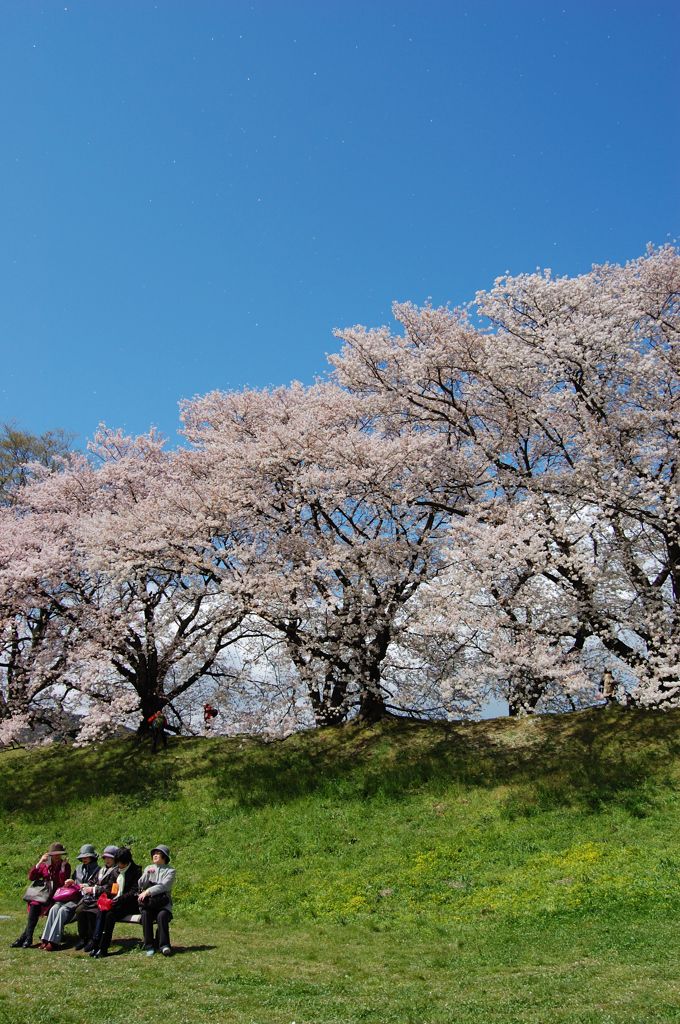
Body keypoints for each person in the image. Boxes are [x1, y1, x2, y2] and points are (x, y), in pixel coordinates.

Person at [38, 845, 100, 951]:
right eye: (82, 857)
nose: (84, 859)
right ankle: (46, 939)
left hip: (84, 898)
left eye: (87, 856)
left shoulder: (99, 870)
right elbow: (73, 881)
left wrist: (84, 886)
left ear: (92, 857)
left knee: (63, 910)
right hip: (72, 895)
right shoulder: (78, 868)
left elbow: (97, 886)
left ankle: (54, 941)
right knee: (54, 908)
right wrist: (71, 882)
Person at [10, 843, 71, 949]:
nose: (57, 857)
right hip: (43, 895)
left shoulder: (66, 866)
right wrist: (39, 863)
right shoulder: (45, 865)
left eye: (59, 854)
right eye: (54, 854)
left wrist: (62, 868)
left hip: (55, 896)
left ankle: (24, 938)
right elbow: (32, 877)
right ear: (50, 855)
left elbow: (62, 883)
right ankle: (28, 937)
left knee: (40, 907)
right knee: (34, 905)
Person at [90, 847, 142, 958]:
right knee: (101, 911)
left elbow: (134, 892)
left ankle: (104, 947)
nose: (119, 865)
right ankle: (95, 944)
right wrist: (107, 897)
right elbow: (109, 888)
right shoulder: (115, 871)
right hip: (115, 902)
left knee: (110, 916)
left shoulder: (136, 871)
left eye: (121, 863)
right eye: (117, 863)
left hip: (129, 904)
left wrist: (120, 899)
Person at [75, 845, 119, 951]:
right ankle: (83, 937)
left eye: (110, 858)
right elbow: (93, 881)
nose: (107, 860)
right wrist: (86, 886)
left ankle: (92, 938)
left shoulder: (116, 871)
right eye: (105, 858)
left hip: (104, 900)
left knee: (92, 912)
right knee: (79, 910)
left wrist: (94, 890)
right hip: (94, 898)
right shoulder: (102, 870)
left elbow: (109, 889)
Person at [138, 844, 176, 956]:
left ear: (164, 857)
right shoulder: (149, 868)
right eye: (154, 854)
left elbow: (165, 886)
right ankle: (149, 945)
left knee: (162, 916)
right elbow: (140, 884)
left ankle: (164, 945)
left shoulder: (170, 871)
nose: (155, 856)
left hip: (163, 903)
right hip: (150, 903)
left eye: (158, 854)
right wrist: (147, 874)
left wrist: (148, 891)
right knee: (145, 914)